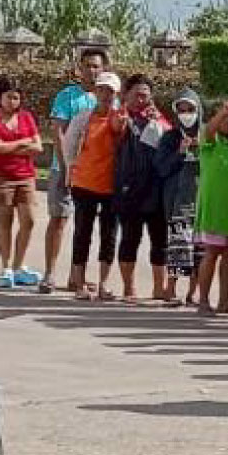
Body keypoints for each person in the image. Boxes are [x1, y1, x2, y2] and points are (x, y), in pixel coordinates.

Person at [43, 48, 108, 293]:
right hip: (65, 169)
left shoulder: (108, 99)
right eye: (87, 66)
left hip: (95, 173)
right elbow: (59, 131)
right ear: (79, 68)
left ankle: (76, 275)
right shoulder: (67, 96)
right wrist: (67, 165)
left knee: (85, 226)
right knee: (58, 219)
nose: (92, 71)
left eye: (96, 66)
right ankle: (49, 273)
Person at [111, 75, 176, 305]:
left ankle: (160, 288)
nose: (141, 99)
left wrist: (158, 120)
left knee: (160, 240)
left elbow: (171, 139)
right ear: (126, 95)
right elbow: (113, 134)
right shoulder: (120, 116)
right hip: (128, 187)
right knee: (130, 238)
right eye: (137, 94)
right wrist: (124, 120)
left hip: (156, 188)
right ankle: (129, 288)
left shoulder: (157, 119)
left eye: (145, 95)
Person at [63, 71, 125, 300]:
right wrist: (71, 169)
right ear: (95, 91)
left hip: (112, 186)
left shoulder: (121, 117)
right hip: (85, 183)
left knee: (109, 236)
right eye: (101, 89)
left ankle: (103, 284)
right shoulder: (83, 117)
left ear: (117, 93)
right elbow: (69, 144)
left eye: (110, 90)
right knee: (82, 233)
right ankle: (79, 284)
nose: (105, 94)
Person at [0, 78, 43, 287]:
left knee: (29, 221)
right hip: (1, 176)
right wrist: (21, 143)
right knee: (5, 221)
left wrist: (7, 146)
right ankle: (5, 267)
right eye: (8, 96)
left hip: (25, 176)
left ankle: (18, 266)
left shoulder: (27, 118)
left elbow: (38, 148)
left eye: (16, 97)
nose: (12, 101)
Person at [192, 98, 228, 314]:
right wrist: (223, 112)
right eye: (225, 117)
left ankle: (225, 300)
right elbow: (209, 129)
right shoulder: (210, 141)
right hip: (213, 206)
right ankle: (203, 299)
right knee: (212, 251)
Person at [164, 90, 206, 305]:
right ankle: (170, 288)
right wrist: (180, 152)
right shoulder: (170, 137)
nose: (186, 114)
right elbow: (161, 168)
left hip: (203, 201)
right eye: (181, 110)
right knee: (179, 246)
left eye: (190, 110)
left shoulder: (207, 137)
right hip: (179, 201)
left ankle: (194, 292)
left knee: (201, 249)